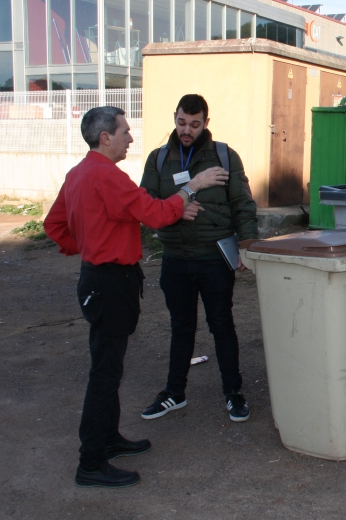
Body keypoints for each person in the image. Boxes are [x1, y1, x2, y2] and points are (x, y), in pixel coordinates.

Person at [45, 106, 228, 489]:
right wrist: (191, 187)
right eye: (125, 131)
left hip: (99, 279)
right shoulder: (107, 177)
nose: (131, 137)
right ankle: (91, 462)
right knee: (105, 374)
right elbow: (156, 214)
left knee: (107, 367)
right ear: (105, 137)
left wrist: (88, 246)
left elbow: (55, 225)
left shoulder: (79, 174)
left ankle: (108, 441)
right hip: (111, 282)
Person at [139, 94, 258, 423]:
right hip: (175, 258)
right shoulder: (159, 159)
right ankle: (174, 393)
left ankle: (233, 393)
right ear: (173, 118)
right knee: (181, 328)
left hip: (214, 257)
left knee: (222, 326)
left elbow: (243, 204)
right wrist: (175, 213)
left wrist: (247, 243)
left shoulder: (224, 156)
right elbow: (145, 204)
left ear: (206, 122)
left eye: (194, 124)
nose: (186, 130)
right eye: (180, 123)